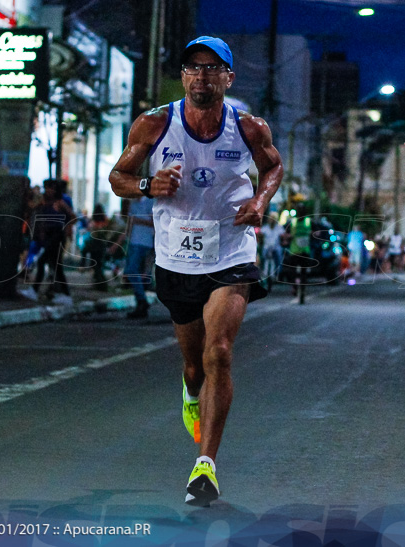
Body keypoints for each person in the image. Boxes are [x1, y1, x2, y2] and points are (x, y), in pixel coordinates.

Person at [109, 36, 283, 507]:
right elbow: (118, 178)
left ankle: (204, 467)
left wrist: (260, 201)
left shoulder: (247, 128)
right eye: (193, 67)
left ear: (228, 77)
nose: (201, 76)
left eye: (212, 68)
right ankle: (191, 393)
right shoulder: (156, 123)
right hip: (176, 258)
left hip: (231, 253)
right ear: (184, 75)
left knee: (219, 352)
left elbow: (273, 168)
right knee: (193, 365)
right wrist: (148, 184)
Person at [29, 179, 75, 304]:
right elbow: (33, 207)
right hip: (48, 234)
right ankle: (65, 294)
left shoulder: (59, 203)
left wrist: (67, 228)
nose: (49, 191)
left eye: (51, 188)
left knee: (42, 261)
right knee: (56, 266)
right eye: (47, 188)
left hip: (57, 234)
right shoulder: (44, 202)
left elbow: (72, 215)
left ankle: (35, 290)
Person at [121, 195, 155, 318]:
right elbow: (129, 223)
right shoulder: (133, 204)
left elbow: (155, 222)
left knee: (132, 270)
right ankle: (140, 302)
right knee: (130, 271)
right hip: (133, 241)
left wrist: (138, 221)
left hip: (144, 241)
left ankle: (142, 300)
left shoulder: (150, 202)